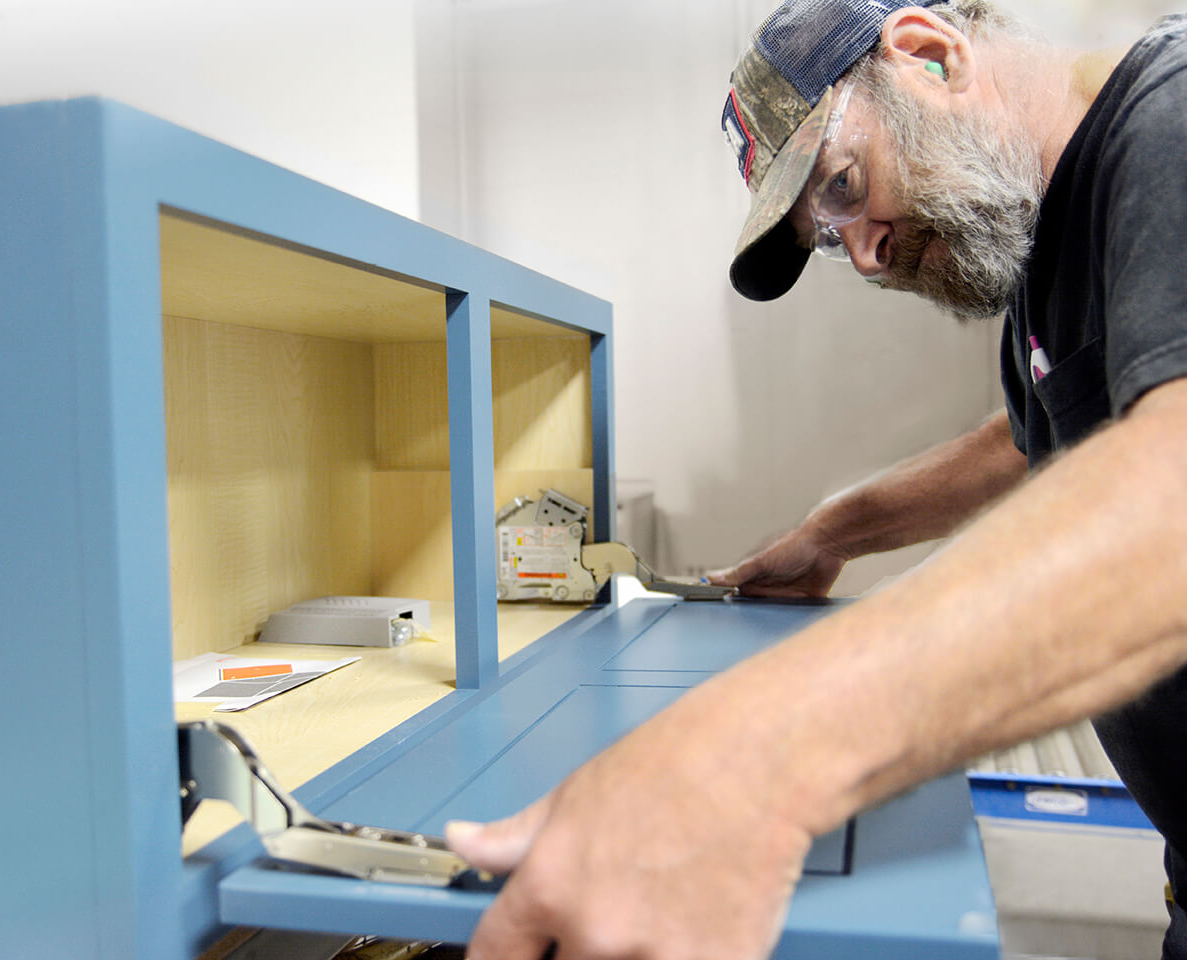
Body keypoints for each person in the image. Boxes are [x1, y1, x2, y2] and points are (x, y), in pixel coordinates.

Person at [444, 0, 1187, 956]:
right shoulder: (1059, 244)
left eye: (843, 187)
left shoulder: (1169, 125)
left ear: (927, 53)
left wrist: (755, 756)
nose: (868, 254)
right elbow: (1028, 438)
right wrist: (834, 531)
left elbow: (1166, 508)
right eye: (831, 239)